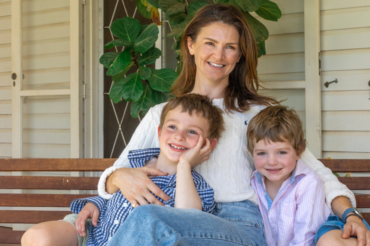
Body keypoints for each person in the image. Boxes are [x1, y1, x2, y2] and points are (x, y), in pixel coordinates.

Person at [23, 3, 370, 246]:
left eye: (230, 47)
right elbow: (113, 177)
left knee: (147, 222)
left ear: (239, 56)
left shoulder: (257, 113)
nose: (219, 56)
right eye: (210, 43)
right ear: (190, 46)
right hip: (171, 221)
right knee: (148, 223)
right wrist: (117, 176)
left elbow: (316, 174)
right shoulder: (163, 114)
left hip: (236, 226)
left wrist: (350, 213)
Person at [21, 94, 224, 246]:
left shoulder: (194, 185)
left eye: (191, 132)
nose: (179, 136)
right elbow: (113, 195)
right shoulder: (137, 161)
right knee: (36, 237)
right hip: (93, 232)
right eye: (172, 127)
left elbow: (187, 219)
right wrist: (95, 204)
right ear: (160, 131)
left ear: (208, 144)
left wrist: (184, 165)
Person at [247, 105, 370, 246]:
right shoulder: (254, 183)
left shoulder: (308, 183)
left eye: (282, 152)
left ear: (299, 151)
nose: (272, 161)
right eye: (262, 153)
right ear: (252, 153)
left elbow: (304, 238)